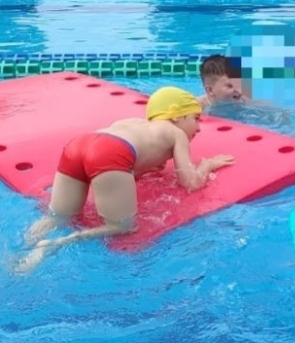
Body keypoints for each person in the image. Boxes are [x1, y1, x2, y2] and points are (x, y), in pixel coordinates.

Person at [17, 87, 235, 271]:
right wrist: (207, 165)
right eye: (196, 119)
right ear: (176, 116)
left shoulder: (135, 124)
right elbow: (190, 182)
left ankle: (24, 245)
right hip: (110, 152)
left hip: (78, 145)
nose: (198, 128)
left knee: (59, 216)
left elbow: (123, 161)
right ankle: (54, 243)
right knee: (122, 226)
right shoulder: (176, 133)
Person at [198, 54, 291, 125]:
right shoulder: (199, 106)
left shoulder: (249, 100)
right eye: (230, 86)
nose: (239, 90)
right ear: (210, 90)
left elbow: (280, 113)